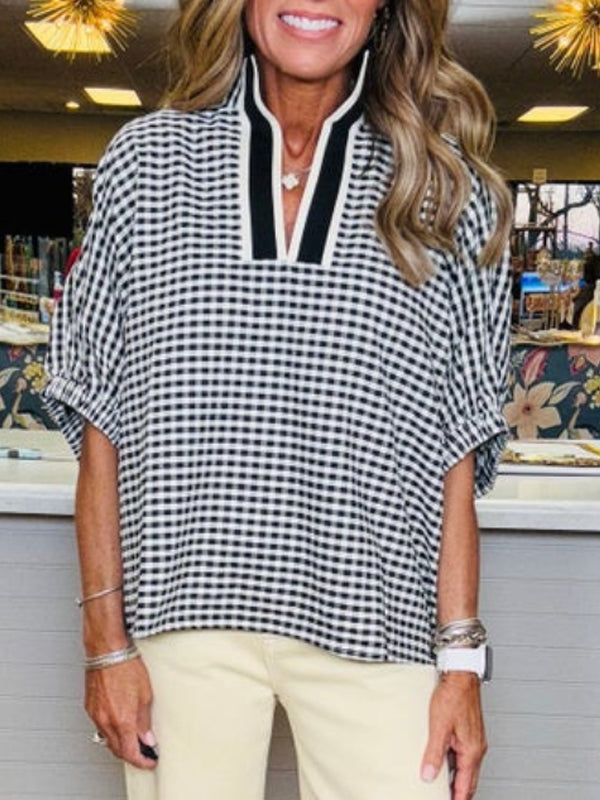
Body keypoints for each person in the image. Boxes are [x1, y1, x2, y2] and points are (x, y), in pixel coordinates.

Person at [42, 1, 513, 799]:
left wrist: (462, 664)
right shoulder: (145, 166)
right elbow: (101, 423)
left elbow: (456, 451)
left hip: (378, 614)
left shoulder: (444, 188)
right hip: (183, 613)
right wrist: (104, 645)